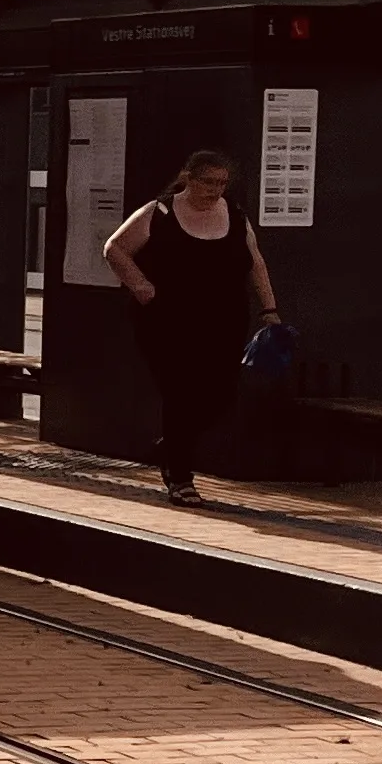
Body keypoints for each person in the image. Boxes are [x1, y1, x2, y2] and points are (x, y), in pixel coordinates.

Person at [104, 147, 281, 507]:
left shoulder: (235, 215)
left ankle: (172, 446)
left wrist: (270, 309)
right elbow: (115, 248)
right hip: (167, 321)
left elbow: (256, 263)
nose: (215, 190)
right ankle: (181, 478)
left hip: (224, 322)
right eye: (208, 182)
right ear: (189, 177)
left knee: (220, 395)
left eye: (222, 183)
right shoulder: (160, 212)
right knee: (181, 393)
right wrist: (140, 286)